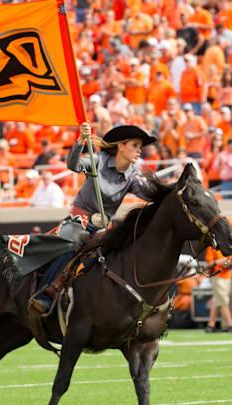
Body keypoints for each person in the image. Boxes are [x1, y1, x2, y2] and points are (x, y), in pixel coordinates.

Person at [32, 123, 158, 313]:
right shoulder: (97, 159)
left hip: (103, 229)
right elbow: (73, 165)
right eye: (135, 145)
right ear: (121, 146)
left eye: (141, 147)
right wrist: (80, 141)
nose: (139, 150)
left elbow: (148, 194)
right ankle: (45, 295)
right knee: (69, 243)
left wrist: (170, 192)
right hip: (79, 222)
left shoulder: (133, 175)